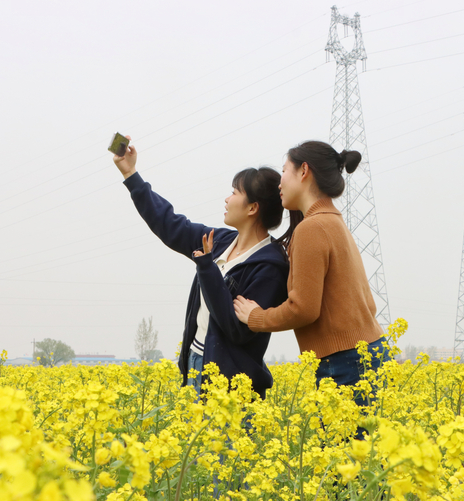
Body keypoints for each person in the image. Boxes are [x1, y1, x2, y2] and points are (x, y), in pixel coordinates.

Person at [112, 137, 289, 399]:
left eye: (234, 192)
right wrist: (131, 174)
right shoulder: (221, 242)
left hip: (230, 386)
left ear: (252, 207)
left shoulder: (271, 266)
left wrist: (206, 268)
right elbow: (171, 225)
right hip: (196, 363)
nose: (227, 199)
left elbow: (236, 329)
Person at [233, 140, 389, 402]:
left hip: (345, 360)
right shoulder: (332, 220)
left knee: (343, 443)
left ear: (303, 171)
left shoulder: (312, 228)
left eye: (284, 171)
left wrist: (256, 318)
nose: (279, 183)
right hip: (364, 353)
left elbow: (304, 308)